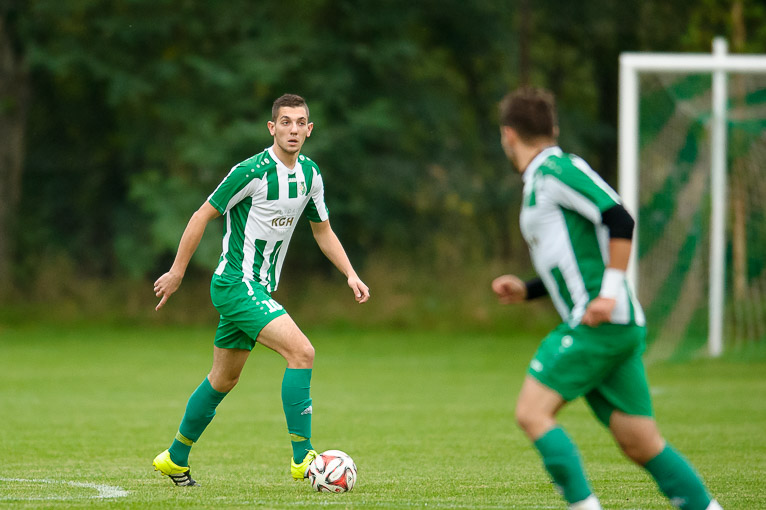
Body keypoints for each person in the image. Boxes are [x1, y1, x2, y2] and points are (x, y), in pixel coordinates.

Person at [492, 87, 722, 510]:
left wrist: (609, 294)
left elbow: (619, 217)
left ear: (508, 134)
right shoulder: (541, 178)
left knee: (532, 413)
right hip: (613, 326)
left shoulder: (556, 170)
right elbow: (573, 260)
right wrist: (528, 289)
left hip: (600, 324)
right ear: (552, 127)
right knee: (641, 443)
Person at [151, 93, 370, 486]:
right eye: (285, 122)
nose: (293, 129)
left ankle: (174, 457)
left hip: (259, 290)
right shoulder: (250, 171)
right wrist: (177, 272)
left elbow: (323, 231)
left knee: (223, 379)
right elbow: (201, 215)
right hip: (236, 283)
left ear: (309, 129)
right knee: (302, 352)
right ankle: (303, 459)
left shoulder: (310, 175)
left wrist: (350, 273)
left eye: (300, 123)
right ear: (272, 128)